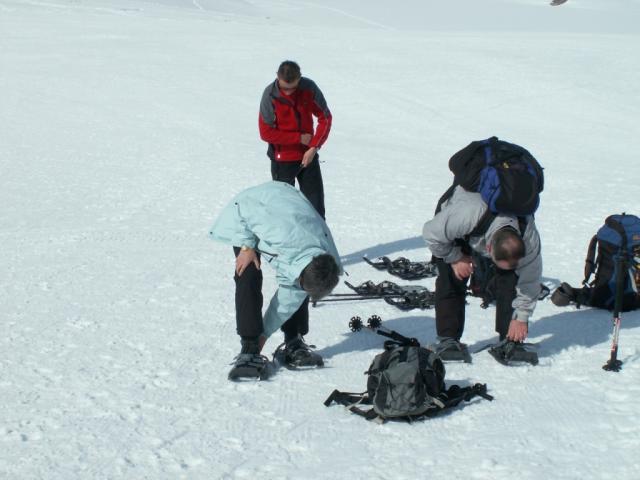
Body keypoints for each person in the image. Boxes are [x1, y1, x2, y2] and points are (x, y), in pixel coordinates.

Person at [209, 181, 342, 380]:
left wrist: (265, 335)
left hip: (288, 212)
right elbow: (244, 208)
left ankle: (293, 338)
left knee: (299, 289)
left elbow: (290, 298)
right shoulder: (279, 232)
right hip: (250, 209)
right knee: (248, 272)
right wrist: (246, 246)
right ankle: (248, 348)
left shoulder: (325, 258)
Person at [422, 186, 543, 364]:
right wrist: (455, 258)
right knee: (452, 278)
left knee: (510, 277)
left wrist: (522, 316)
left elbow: (530, 280)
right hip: (458, 225)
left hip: (490, 230)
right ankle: (448, 341)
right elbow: (431, 233)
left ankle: (509, 340)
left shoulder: (529, 239)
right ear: (488, 248)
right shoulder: (465, 216)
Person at [259, 60, 332, 219]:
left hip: (308, 158)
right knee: (284, 213)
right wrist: (298, 138)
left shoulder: (309, 88)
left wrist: (314, 147)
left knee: (316, 211)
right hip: (282, 162)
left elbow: (325, 118)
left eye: (293, 88)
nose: (289, 92)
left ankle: (318, 237)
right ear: (277, 77)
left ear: (299, 78)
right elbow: (265, 133)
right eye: (285, 88)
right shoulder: (269, 95)